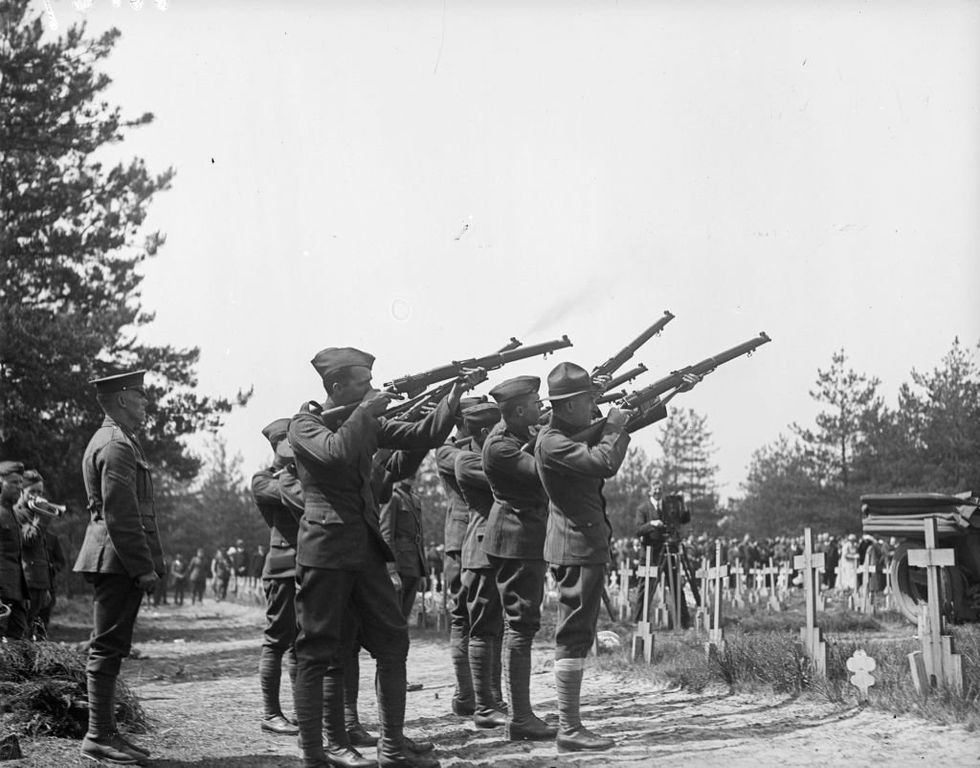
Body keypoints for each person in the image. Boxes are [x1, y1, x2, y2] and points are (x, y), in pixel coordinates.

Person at [288, 346, 479, 768]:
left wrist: (453, 395)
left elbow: (421, 436)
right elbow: (335, 452)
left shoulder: (363, 421)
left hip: (366, 550)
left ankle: (391, 748)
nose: (372, 390)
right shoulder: (304, 425)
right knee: (318, 649)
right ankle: (316, 752)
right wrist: (366, 412)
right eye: (363, 384)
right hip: (325, 552)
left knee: (393, 640)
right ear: (336, 387)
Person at [534, 362, 632, 753]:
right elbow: (603, 462)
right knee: (574, 636)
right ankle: (570, 728)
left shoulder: (562, 435)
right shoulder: (553, 442)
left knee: (578, 634)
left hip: (580, 543)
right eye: (588, 398)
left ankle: (570, 725)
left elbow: (598, 448)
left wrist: (634, 416)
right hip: (576, 545)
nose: (594, 403)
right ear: (569, 405)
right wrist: (613, 427)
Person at [73, 369, 163, 765]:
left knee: (111, 647)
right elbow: (121, 515)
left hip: (115, 557)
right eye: (140, 396)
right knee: (107, 648)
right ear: (123, 399)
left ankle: (106, 731)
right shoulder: (116, 445)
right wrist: (143, 567)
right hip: (116, 559)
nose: (146, 403)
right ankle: (97, 735)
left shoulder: (120, 441)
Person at [482, 376, 558, 741]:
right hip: (516, 539)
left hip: (521, 538)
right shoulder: (500, 447)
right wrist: (554, 430)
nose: (541, 408)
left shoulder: (512, 436)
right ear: (516, 411)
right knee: (520, 626)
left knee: (520, 626)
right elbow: (544, 470)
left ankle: (520, 714)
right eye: (534, 404)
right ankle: (521, 718)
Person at [455, 401, 508, 729]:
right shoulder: (469, 460)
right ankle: (484, 707)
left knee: (494, 629)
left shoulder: (487, 455)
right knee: (483, 629)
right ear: (487, 432)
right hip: (481, 553)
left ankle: (492, 700)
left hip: (495, 551)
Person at [433, 395, 485, 717]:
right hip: (460, 540)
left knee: (485, 616)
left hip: (481, 538)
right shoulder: (447, 450)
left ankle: (482, 694)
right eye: (478, 419)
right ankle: (466, 694)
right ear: (464, 422)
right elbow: (475, 465)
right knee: (462, 617)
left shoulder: (479, 444)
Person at [251, 419, 300, 736]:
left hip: (307, 566)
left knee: (302, 642)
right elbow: (295, 497)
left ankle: (304, 711)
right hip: (282, 567)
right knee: (277, 640)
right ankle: (270, 713)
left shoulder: (297, 476)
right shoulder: (263, 480)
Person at [13, 468, 54, 638]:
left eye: (40, 492)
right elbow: (29, 539)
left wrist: (46, 587)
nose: (36, 496)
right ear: (22, 490)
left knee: (31, 632)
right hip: (25, 584)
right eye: (32, 491)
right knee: (19, 631)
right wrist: (42, 516)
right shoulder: (16, 513)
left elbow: (42, 555)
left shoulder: (34, 513)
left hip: (39, 584)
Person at [0, 461, 29, 640]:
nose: (19, 487)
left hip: (15, 592)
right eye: (14, 482)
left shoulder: (11, 513)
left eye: (21, 483)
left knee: (17, 644)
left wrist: (22, 593)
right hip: (2, 592)